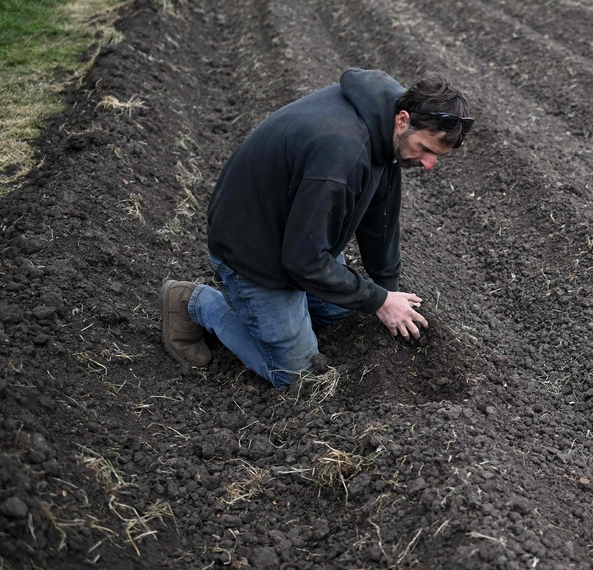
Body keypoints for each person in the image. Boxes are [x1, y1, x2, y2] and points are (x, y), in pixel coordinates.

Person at [159, 68, 472, 388]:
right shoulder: (341, 153)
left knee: (342, 313)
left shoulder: (386, 120)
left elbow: (381, 214)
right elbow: (304, 261)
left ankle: (288, 315)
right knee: (298, 377)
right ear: (404, 120)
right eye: (427, 149)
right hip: (254, 250)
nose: (429, 162)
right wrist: (378, 300)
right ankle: (195, 302)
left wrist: (386, 287)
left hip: (297, 230)